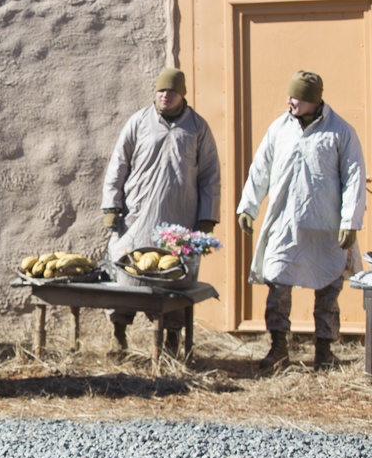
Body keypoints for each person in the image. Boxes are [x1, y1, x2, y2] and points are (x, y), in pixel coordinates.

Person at [236, 70, 366, 371]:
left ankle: (324, 352)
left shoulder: (340, 132)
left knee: (328, 290)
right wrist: (248, 206)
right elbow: (260, 169)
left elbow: (354, 178)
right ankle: (279, 348)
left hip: (326, 228)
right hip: (286, 225)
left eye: (294, 97)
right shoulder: (280, 129)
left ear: (311, 100)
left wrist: (350, 221)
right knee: (278, 284)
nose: (288, 101)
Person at [101, 67, 221, 355]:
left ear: (183, 95)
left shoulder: (197, 128)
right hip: (136, 218)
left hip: (178, 223)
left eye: (172, 91)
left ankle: (171, 341)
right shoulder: (139, 122)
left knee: (174, 280)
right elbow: (118, 164)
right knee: (126, 274)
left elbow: (210, 175)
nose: (166, 96)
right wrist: (111, 205)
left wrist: (207, 218)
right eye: (161, 90)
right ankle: (119, 335)